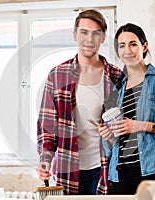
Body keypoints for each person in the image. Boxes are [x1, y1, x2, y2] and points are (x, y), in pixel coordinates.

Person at [36, 9, 122, 195]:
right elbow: (47, 125)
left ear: (103, 38)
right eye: (84, 32)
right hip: (68, 166)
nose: (89, 39)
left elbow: (125, 125)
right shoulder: (58, 75)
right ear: (75, 35)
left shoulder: (116, 76)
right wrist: (45, 158)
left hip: (104, 167)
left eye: (95, 33)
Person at [98, 23, 155, 195]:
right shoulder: (116, 90)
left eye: (133, 44)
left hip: (154, 171)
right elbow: (112, 147)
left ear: (144, 46)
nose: (127, 50)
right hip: (119, 174)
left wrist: (141, 125)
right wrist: (108, 138)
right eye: (122, 45)